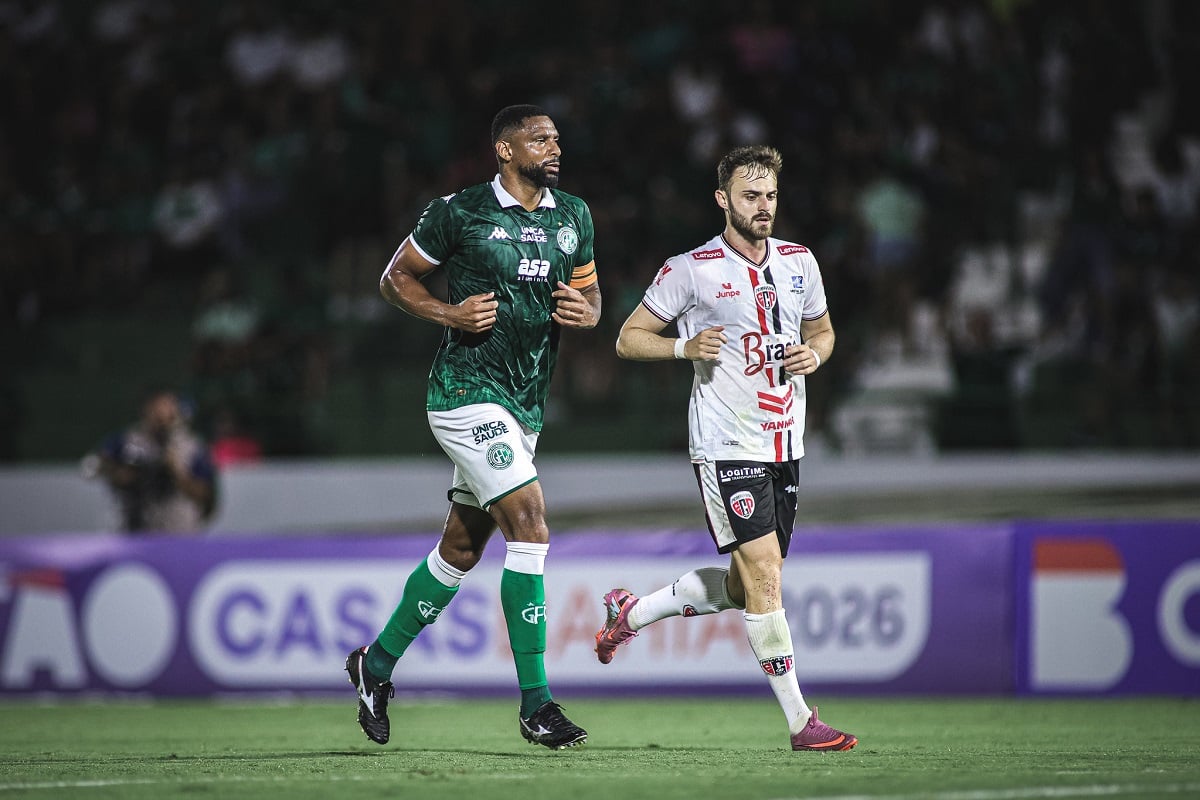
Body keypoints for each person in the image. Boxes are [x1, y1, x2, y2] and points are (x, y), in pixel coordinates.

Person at [348, 104, 601, 749]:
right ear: (503, 149)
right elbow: (394, 278)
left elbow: (591, 296)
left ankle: (373, 667)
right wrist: (448, 314)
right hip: (465, 394)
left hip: (525, 402)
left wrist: (586, 309)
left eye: (557, 138)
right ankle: (536, 704)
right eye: (539, 138)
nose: (554, 146)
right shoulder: (458, 212)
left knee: (461, 549)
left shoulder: (573, 215)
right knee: (531, 522)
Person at [598, 145, 857, 752]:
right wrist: (682, 349)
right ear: (723, 200)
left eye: (769, 196)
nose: (763, 207)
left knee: (746, 589)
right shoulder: (691, 268)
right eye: (750, 196)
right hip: (724, 442)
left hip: (785, 441)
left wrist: (815, 354)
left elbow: (822, 329)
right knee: (766, 574)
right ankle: (802, 723)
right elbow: (628, 339)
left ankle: (631, 613)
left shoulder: (800, 262)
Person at [83, 387, 217, 533]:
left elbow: (205, 495)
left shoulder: (192, 446)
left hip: (180, 531)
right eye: (156, 409)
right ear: (146, 410)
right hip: (135, 529)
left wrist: (176, 472)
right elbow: (92, 466)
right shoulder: (127, 440)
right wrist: (119, 473)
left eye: (168, 410)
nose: (162, 416)